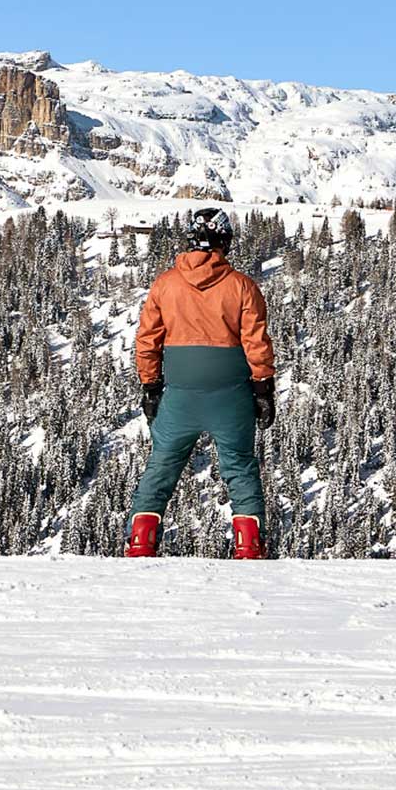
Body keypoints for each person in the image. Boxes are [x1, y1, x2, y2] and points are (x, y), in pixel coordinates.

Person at [125, 207, 277, 560]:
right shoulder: (241, 286)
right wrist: (263, 388)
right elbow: (256, 342)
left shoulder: (166, 284)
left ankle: (141, 542)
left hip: (180, 391)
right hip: (231, 392)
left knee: (162, 464)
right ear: (225, 242)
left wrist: (150, 385)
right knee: (239, 466)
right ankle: (248, 546)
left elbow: (147, 340)